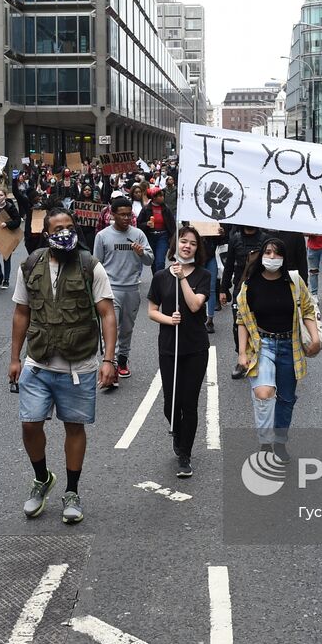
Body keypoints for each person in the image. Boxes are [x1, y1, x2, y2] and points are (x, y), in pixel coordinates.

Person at [9, 208, 119, 525]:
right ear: (46, 233)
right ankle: (42, 478)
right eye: (58, 228)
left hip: (79, 364)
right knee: (30, 424)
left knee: (74, 427)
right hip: (38, 362)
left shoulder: (89, 266)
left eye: (70, 227)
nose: (64, 232)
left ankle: (71, 491)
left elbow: (108, 314)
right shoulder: (30, 266)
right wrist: (15, 358)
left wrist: (109, 360)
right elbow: (21, 313)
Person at [234, 237, 322, 462]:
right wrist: (242, 353)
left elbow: (309, 310)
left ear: (284, 258)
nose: (272, 257)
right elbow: (242, 318)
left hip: (289, 346)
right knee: (263, 394)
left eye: (277, 254)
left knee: (286, 398)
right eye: (268, 253)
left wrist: (314, 338)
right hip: (262, 345)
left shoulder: (294, 281)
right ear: (262, 255)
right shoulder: (249, 285)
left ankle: (280, 442)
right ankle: (265, 441)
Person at [147, 226, 210, 479]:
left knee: (189, 403)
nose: (187, 246)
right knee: (170, 404)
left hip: (195, 347)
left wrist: (183, 277)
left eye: (193, 244)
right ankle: (178, 432)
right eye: (183, 242)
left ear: (197, 248)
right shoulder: (161, 277)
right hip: (169, 347)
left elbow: (195, 305)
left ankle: (185, 454)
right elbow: (151, 310)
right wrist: (166, 318)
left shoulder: (203, 275)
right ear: (175, 245)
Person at [91, 197, 153, 384]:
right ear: (113, 215)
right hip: (110, 289)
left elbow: (150, 260)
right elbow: (97, 264)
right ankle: (112, 364)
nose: (127, 218)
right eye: (123, 215)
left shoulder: (139, 234)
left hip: (132, 288)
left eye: (129, 215)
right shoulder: (102, 236)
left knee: (126, 329)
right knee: (112, 328)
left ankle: (123, 359)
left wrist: (141, 252)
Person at [219, 223, 269, 378]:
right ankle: (242, 359)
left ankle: (262, 359)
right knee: (238, 325)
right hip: (240, 288)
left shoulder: (265, 239)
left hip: (262, 288)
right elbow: (229, 265)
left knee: (261, 325)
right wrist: (223, 289)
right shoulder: (235, 239)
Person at [0, 187, 23, 289]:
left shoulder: (10, 207)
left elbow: (17, 221)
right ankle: (0, 275)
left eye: (1, 195)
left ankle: (6, 280)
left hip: (7, 235)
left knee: (6, 258)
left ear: (5, 196)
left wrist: (6, 224)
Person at [136, 187, 174, 275]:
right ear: (154, 197)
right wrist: (146, 224)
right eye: (160, 196)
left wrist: (172, 238)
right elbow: (139, 224)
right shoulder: (146, 209)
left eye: (162, 195)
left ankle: (160, 280)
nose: (162, 197)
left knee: (160, 262)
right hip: (150, 237)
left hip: (163, 237)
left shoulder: (166, 209)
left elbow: (172, 225)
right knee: (153, 261)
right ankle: (157, 280)